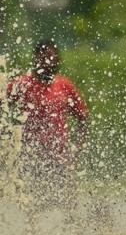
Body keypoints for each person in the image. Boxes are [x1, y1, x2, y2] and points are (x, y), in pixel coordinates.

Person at [5, 39, 89, 206]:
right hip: (30, 158)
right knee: (32, 206)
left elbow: (84, 118)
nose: (49, 63)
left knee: (67, 205)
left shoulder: (65, 86)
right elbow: (2, 104)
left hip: (60, 158)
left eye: (53, 58)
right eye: (44, 58)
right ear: (36, 60)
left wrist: (77, 150)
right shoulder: (22, 84)